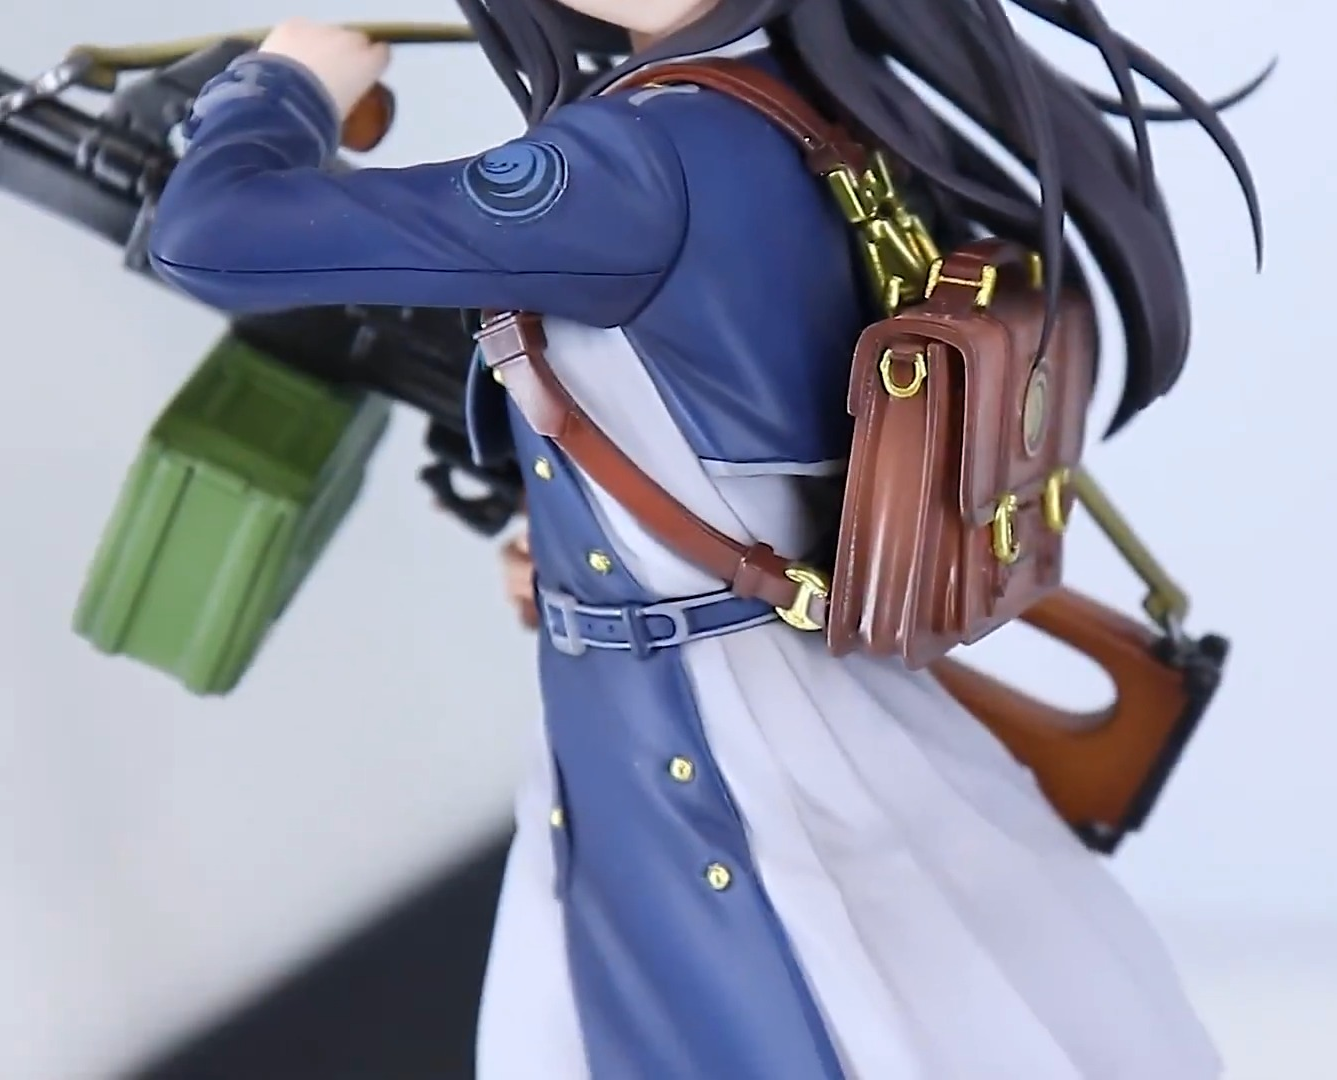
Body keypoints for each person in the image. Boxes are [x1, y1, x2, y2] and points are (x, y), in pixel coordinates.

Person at [146, 1, 1262, 1076]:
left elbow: (210, 237)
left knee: (750, 1002)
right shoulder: (824, 102)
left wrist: (283, 87)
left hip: (704, 722)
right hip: (797, 671)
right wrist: (595, 548)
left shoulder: (631, 162)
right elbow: (760, 406)